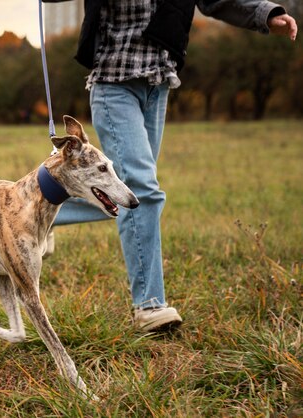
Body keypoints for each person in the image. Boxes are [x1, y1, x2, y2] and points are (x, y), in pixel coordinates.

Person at [42, 0, 297, 332]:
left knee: (130, 193)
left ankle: (43, 209)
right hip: (113, 84)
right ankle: (149, 306)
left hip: (158, 86)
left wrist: (265, 14)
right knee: (143, 188)